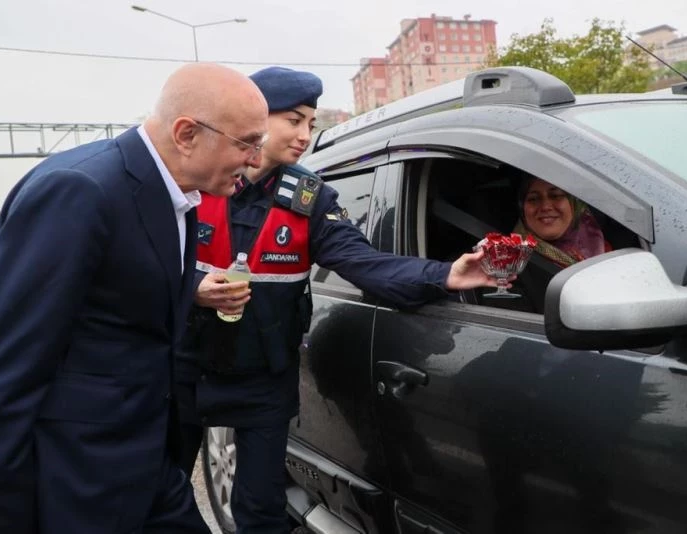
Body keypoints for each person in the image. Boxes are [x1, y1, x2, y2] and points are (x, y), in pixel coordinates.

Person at [175, 66, 499, 534]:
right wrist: (194, 293)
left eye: (311, 122)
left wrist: (448, 273)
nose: (306, 134)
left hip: (263, 380)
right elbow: (140, 270)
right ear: (256, 118)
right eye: (294, 120)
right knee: (156, 491)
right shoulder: (194, 184)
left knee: (261, 511)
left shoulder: (311, 199)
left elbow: (367, 265)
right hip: (183, 369)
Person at [0, 63, 268, 533]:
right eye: (246, 143)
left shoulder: (179, 198)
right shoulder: (80, 191)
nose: (255, 159)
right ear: (187, 133)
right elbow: (1, 373)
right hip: (77, 480)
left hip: (146, 468)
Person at [492, 176, 611, 313]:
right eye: (533, 199)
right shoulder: (506, 266)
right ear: (522, 208)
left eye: (556, 196)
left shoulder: (606, 249)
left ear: (575, 204)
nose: (545, 207)